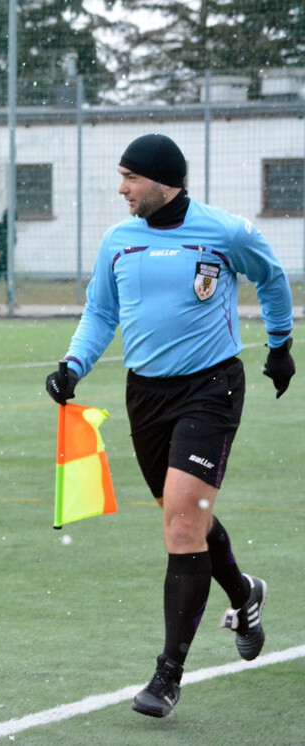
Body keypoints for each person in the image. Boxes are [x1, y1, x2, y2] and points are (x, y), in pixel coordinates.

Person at [44, 133, 295, 719]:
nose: (121, 188)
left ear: (164, 181)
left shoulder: (225, 231)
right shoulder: (117, 241)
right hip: (145, 396)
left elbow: (274, 278)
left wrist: (280, 345)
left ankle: (167, 674)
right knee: (186, 518)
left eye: (131, 177)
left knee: (182, 524)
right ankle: (245, 592)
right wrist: (73, 365)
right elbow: (101, 311)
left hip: (211, 388)